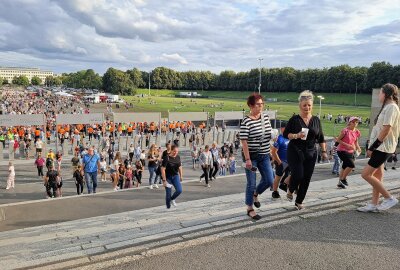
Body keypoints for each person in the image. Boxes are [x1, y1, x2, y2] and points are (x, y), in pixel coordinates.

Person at [358, 83, 400, 212]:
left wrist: (372, 147)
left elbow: (386, 129)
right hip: (381, 147)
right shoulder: (388, 107)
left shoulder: (391, 108)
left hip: (382, 147)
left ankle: (389, 198)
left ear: (386, 94)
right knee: (377, 176)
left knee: (365, 174)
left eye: (380, 93)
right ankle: (373, 204)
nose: (378, 95)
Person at [283, 90, 327, 210]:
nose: (307, 107)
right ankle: (290, 189)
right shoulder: (294, 119)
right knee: (298, 175)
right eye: (304, 105)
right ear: (300, 106)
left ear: (312, 106)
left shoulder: (316, 120)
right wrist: (296, 135)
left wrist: (323, 152)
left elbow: (321, 137)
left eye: (309, 105)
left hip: (311, 152)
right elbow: (285, 134)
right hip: (295, 151)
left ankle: (299, 201)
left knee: (306, 178)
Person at [240, 93, 274, 220]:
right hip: (251, 156)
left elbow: (268, 134)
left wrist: (273, 139)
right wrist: (248, 159)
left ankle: (256, 194)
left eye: (262, 104)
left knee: (270, 180)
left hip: (264, 154)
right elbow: (244, 141)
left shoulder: (265, 118)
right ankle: (249, 208)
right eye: (258, 104)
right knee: (251, 183)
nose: (261, 107)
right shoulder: (246, 121)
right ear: (251, 106)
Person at [336, 117, 361, 188]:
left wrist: (358, 148)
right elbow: (338, 140)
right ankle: (343, 179)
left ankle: (340, 183)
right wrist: (347, 145)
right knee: (351, 165)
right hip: (342, 150)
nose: (355, 123)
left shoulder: (357, 131)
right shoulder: (345, 130)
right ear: (350, 122)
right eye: (353, 122)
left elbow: (356, 141)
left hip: (351, 151)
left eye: (356, 122)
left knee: (345, 166)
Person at [270, 122, 290, 199]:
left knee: (294, 174)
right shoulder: (280, 139)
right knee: (278, 177)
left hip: (289, 161)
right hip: (281, 161)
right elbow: (273, 152)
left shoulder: (289, 137)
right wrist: (279, 162)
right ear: (282, 129)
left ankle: (284, 185)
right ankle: (275, 192)